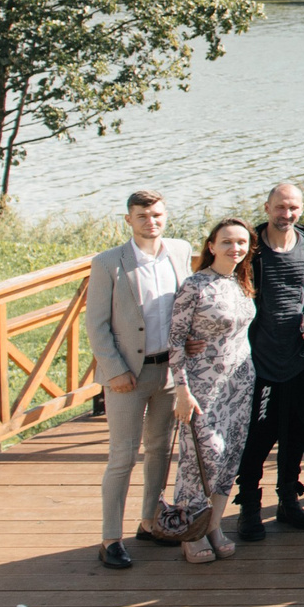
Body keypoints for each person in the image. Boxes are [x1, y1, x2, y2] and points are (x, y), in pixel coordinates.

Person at [87, 191, 193, 568]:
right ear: (129, 220)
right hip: (126, 375)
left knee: (161, 449)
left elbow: (186, 306)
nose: (152, 221)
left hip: (168, 371)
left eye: (157, 214)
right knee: (123, 456)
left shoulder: (180, 251)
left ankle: (149, 522)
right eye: (143, 215)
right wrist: (114, 370)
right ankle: (110, 538)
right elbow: (96, 324)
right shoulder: (108, 263)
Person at [234, 184, 304, 544]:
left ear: (301, 209)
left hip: (302, 356)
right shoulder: (249, 245)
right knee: (257, 437)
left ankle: (288, 501)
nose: (286, 214)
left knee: (296, 431)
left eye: (293, 208)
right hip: (258, 358)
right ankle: (249, 507)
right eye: (279, 207)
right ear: (267, 207)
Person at [163, 219, 259, 564]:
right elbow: (175, 340)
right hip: (202, 385)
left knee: (230, 455)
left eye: (242, 243)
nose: (235, 248)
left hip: (240, 382)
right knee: (202, 457)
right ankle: (190, 531)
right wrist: (181, 390)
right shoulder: (195, 285)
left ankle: (214, 525)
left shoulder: (240, 282)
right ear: (212, 245)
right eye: (228, 242)